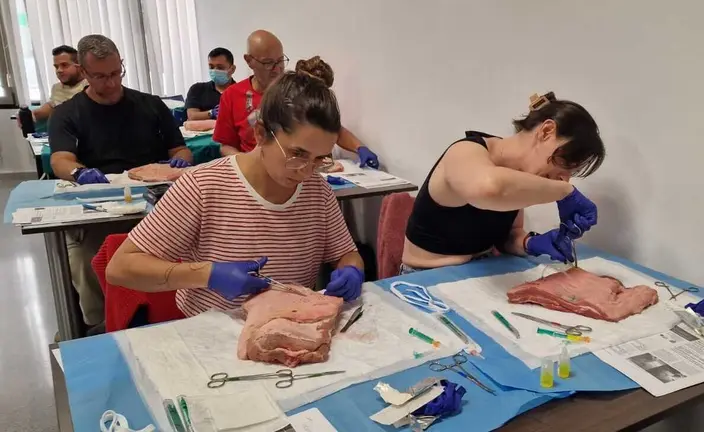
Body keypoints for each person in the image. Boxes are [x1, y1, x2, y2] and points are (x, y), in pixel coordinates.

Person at [106, 68, 366, 317]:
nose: (306, 172)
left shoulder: (318, 191)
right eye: (297, 154)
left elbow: (345, 253)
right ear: (261, 134)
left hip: (290, 325)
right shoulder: (203, 186)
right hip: (214, 331)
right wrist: (209, 275)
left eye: (319, 159)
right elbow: (120, 268)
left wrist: (351, 269)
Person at [48, 34, 193, 330]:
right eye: (101, 77)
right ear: (83, 72)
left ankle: (175, 319)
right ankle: (102, 325)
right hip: (99, 210)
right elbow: (60, 159)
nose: (112, 83)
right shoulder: (68, 113)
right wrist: (79, 173)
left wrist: (180, 162)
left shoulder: (150, 105)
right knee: (88, 260)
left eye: (116, 73)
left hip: (155, 205)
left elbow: (180, 149)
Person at [402, 92, 605, 273]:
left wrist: (531, 242)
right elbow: (488, 189)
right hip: (425, 276)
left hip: (479, 272)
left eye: (571, 173)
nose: (564, 178)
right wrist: (565, 192)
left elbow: (509, 235)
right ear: (546, 131)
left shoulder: (518, 178)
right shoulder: (465, 151)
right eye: (565, 163)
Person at [214, 30, 380, 168]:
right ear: (249, 61)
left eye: (281, 61)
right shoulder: (232, 96)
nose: (277, 69)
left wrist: (360, 147)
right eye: (268, 63)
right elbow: (226, 146)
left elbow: (330, 128)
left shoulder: (296, 90)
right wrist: (248, 163)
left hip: (296, 169)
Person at [17, 45, 87, 124]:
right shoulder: (56, 88)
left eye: (64, 65)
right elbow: (52, 106)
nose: (59, 70)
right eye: (56, 67)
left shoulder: (90, 84)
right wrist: (32, 114)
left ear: (78, 65)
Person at [185, 47, 236, 121]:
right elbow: (192, 116)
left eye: (220, 67)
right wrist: (212, 113)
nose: (214, 71)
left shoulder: (240, 91)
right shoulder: (197, 89)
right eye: (211, 67)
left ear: (232, 69)